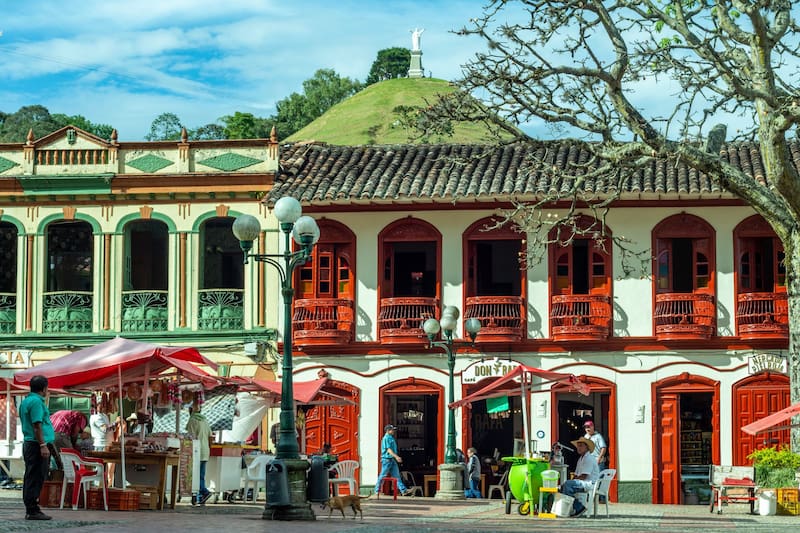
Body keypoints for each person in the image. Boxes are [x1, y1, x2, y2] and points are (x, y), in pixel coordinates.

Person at [19, 375, 55, 521]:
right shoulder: (36, 402)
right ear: (44, 388)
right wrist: (43, 445)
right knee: (36, 476)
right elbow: (37, 425)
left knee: (31, 476)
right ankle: (32, 509)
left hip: (31, 444)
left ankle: (32, 507)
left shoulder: (27, 401)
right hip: (36, 444)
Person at [559, 436, 600, 517]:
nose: (578, 448)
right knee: (564, 486)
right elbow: (577, 475)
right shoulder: (581, 458)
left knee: (567, 485)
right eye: (578, 445)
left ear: (587, 447)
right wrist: (571, 481)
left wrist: (571, 482)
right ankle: (571, 509)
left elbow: (584, 476)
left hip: (589, 483)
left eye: (581, 445)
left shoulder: (589, 458)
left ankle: (578, 508)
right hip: (583, 482)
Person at [186, 403, 213, 505]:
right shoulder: (204, 420)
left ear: (191, 411)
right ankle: (201, 496)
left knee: (195, 475)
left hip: (196, 451)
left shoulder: (192, 420)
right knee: (201, 475)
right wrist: (208, 448)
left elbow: (191, 437)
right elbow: (210, 436)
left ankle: (204, 492)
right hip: (205, 451)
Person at [374, 424, 410, 496]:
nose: (393, 431)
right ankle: (377, 490)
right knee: (383, 475)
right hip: (387, 459)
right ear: (388, 430)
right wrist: (396, 457)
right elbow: (388, 449)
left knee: (396, 476)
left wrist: (395, 457)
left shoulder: (391, 438)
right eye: (392, 430)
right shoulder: (386, 438)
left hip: (392, 459)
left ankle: (403, 490)